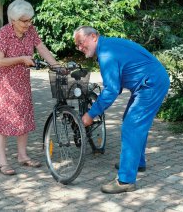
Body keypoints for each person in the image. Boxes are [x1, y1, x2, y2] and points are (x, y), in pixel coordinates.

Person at [73, 26, 170, 194]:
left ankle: (125, 180)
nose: (80, 48)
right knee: (131, 121)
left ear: (94, 37)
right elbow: (115, 88)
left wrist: (91, 114)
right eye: (78, 45)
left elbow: (111, 90)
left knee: (132, 126)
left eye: (81, 43)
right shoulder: (107, 47)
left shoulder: (106, 54)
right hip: (149, 81)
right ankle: (136, 162)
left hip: (151, 84)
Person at [0, 0, 60, 175]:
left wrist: (57, 66)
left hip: (22, 84)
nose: (29, 24)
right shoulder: (4, 34)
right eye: (24, 21)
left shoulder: (31, 31)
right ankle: (2, 162)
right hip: (5, 85)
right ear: (13, 21)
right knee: (2, 122)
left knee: (24, 119)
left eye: (30, 20)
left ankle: (22, 156)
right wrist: (21, 59)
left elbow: (41, 48)